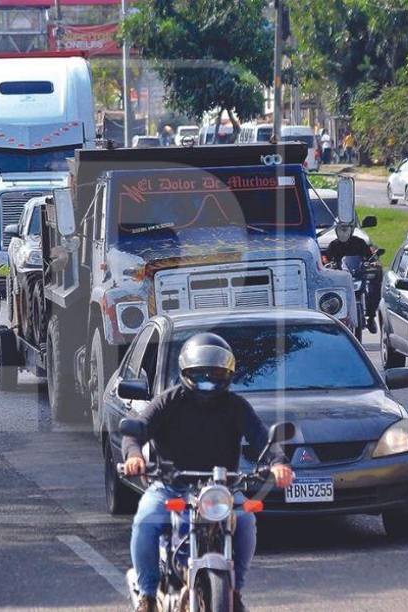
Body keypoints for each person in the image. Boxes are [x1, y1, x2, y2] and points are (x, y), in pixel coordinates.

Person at [122, 333, 294, 612]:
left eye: (215, 372)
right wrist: (133, 456)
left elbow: (262, 438)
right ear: (186, 372)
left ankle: (234, 589)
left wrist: (278, 463)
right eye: (200, 373)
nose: (207, 379)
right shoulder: (169, 402)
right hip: (170, 486)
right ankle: (148, 595)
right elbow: (137, 430)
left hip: (220, 488)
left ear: (227, 373)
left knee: (246, 522)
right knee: (145, 520)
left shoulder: (236, 406)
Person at [326, 220, 381, 333]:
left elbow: (369, 257)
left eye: (346, 230)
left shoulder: (359, 242)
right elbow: (326, 260)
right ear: (336, 231)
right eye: (341, 229)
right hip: (340, 279)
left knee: (373, 288)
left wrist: (372, 262)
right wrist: (329, 265)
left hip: (358, 275)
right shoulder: (333, 245)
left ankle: (371, 317)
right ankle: (333, 321)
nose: (344, 233)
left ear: (351, 230)